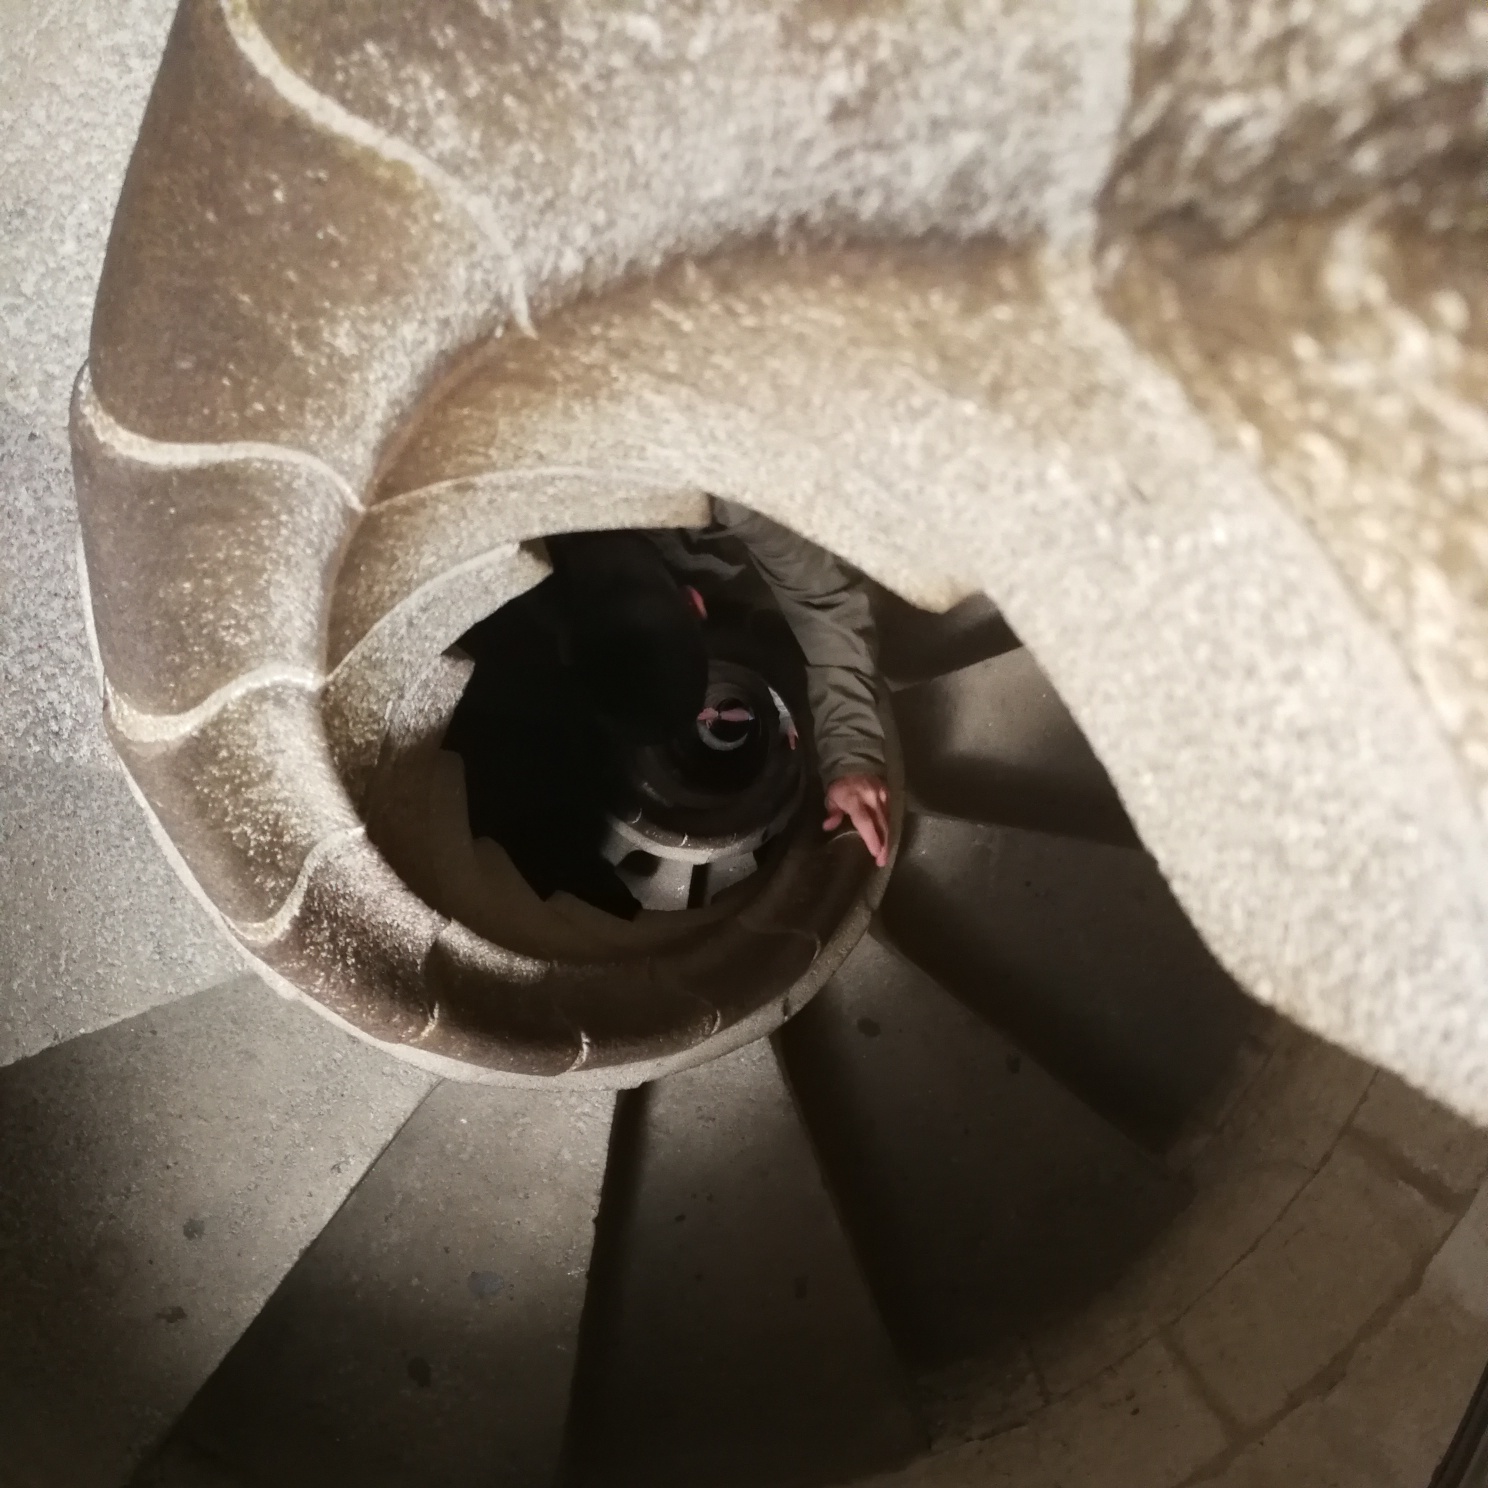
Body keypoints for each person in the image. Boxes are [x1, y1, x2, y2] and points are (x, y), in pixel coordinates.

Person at [444, 504, 891, 915]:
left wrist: (850, 752)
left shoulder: (509, 539)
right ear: (694, 602)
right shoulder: (732, 503)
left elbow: (824, 601)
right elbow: (822, 600)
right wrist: (851, 754)